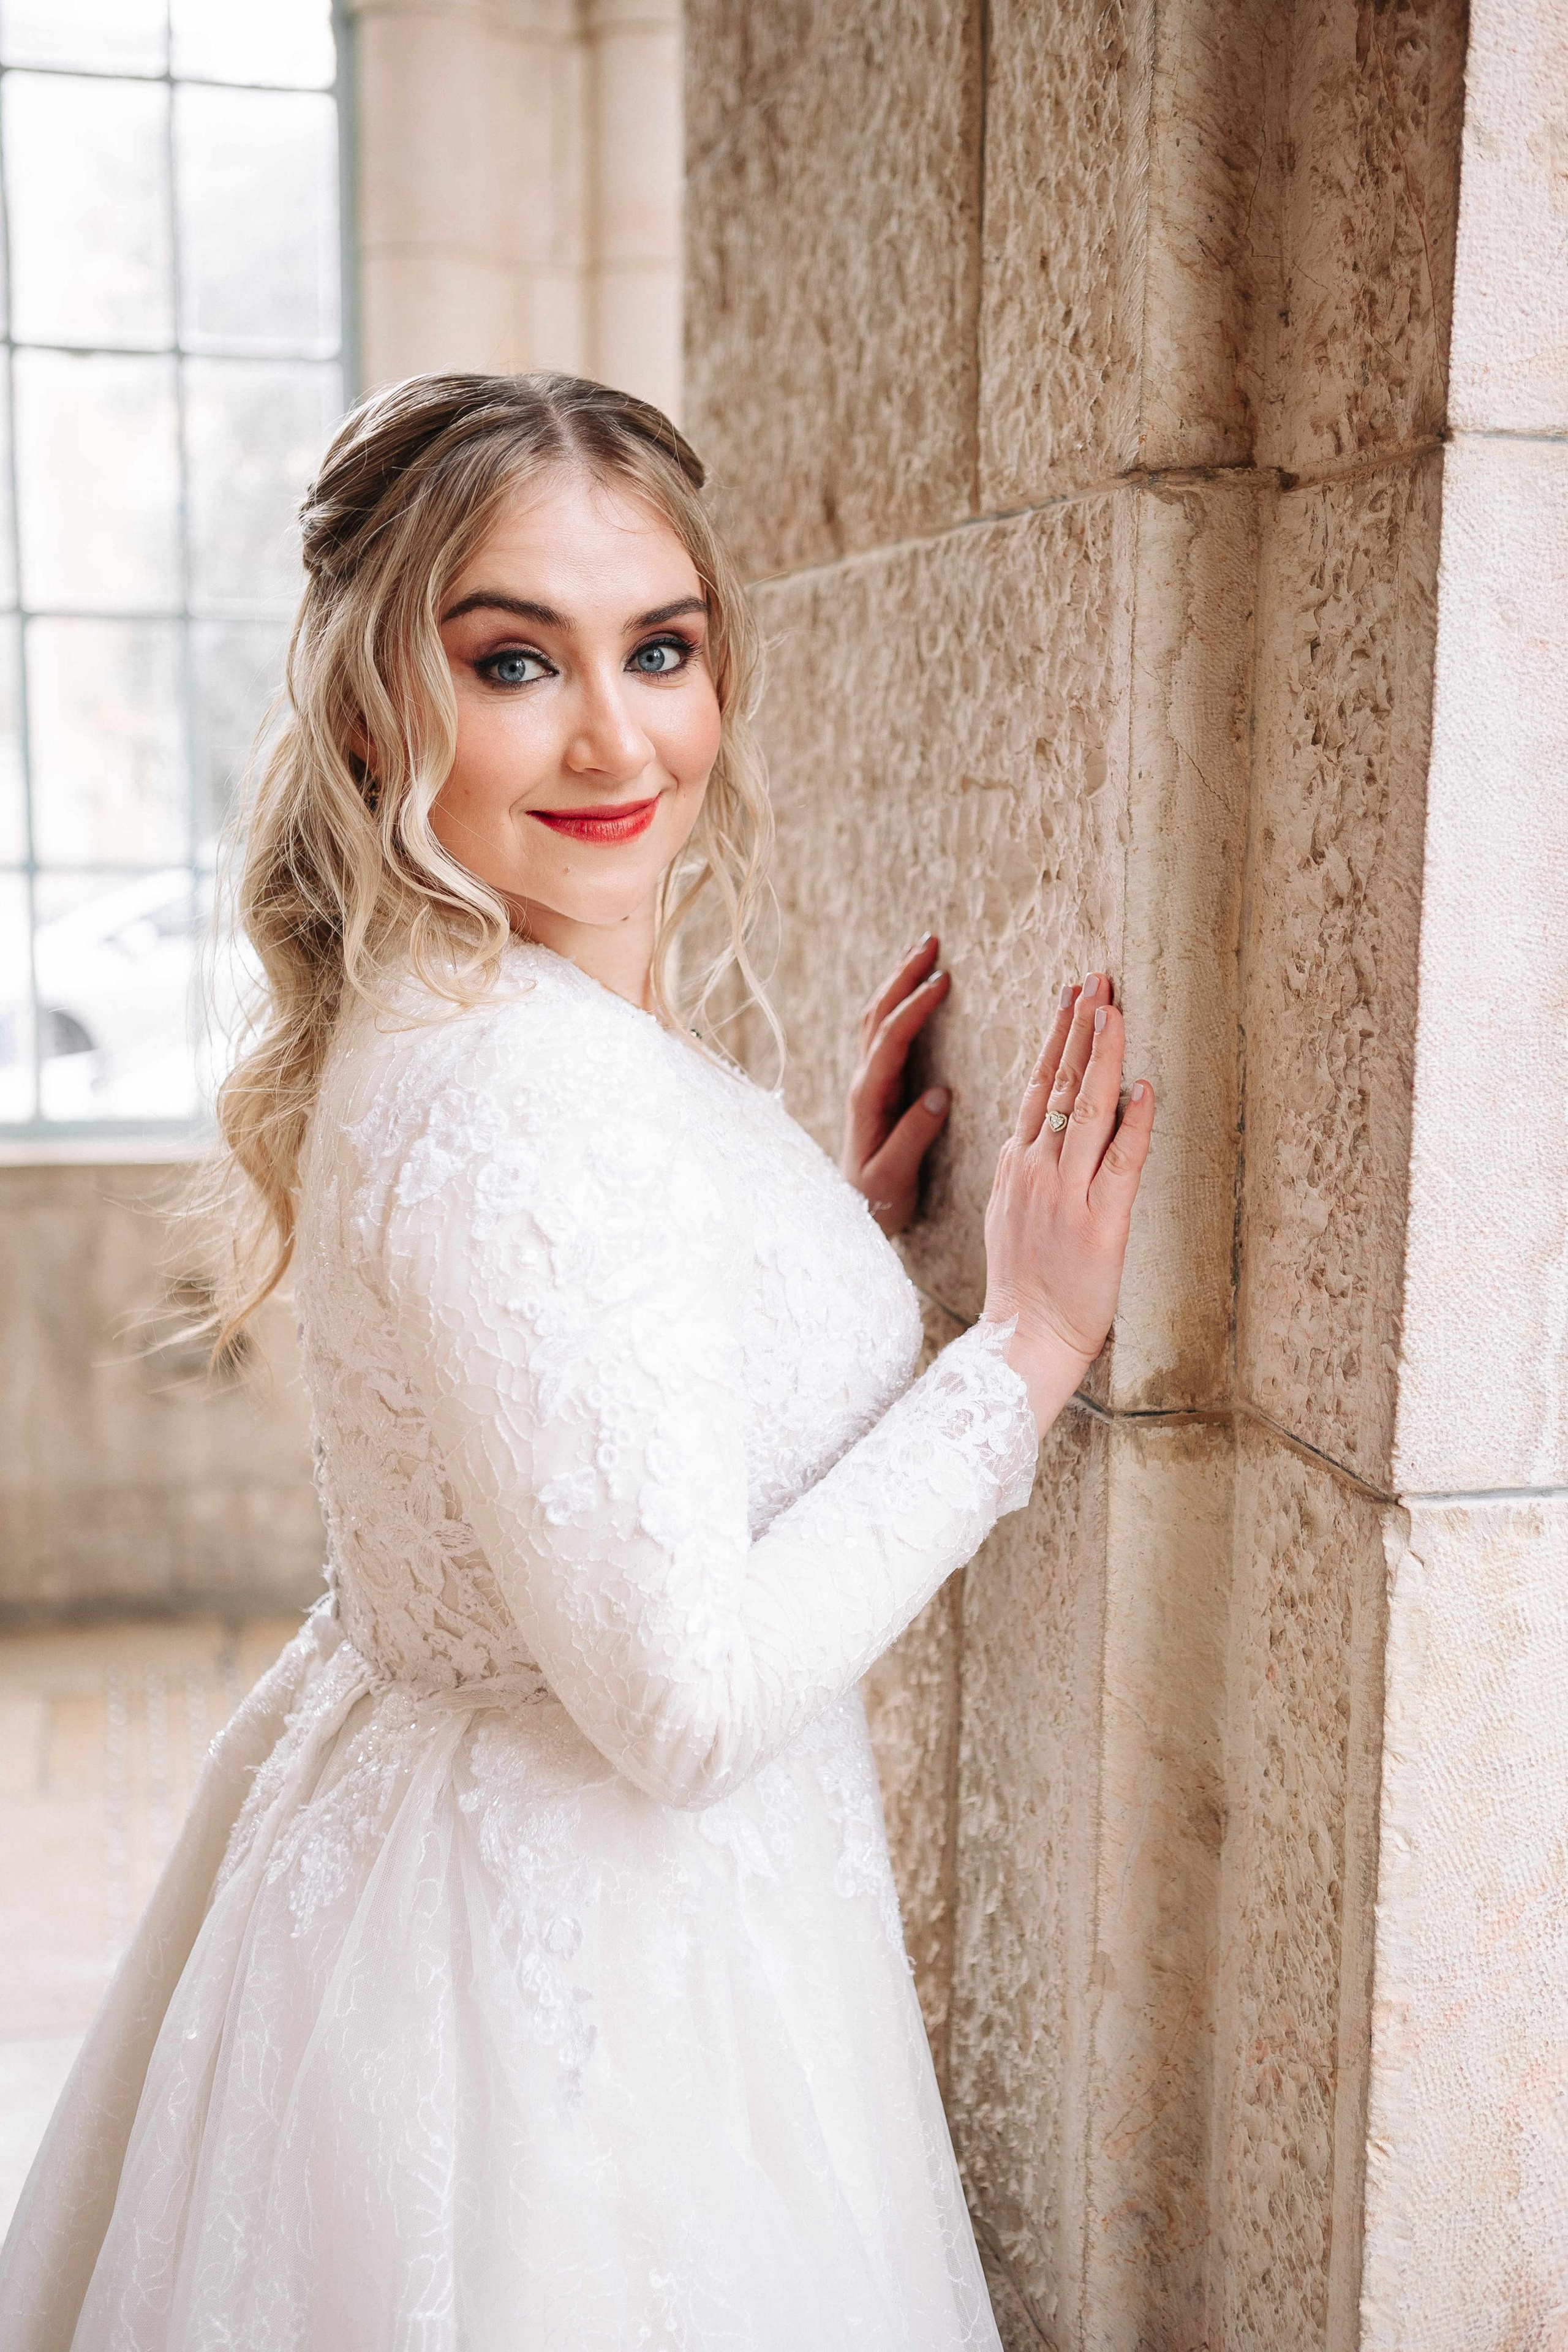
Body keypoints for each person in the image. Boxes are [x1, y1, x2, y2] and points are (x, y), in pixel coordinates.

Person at [0, 372, 1154, 2351]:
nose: (618, 735)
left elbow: (585, 1389)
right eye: (516, 659)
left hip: (454, 1888)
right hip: (575, 2007)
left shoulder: (480, 1008)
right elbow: (684, 1701)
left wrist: (823, 1240)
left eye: (664, 650)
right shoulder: (507, 1102)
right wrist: (1018, 1357)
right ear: (380, 706)